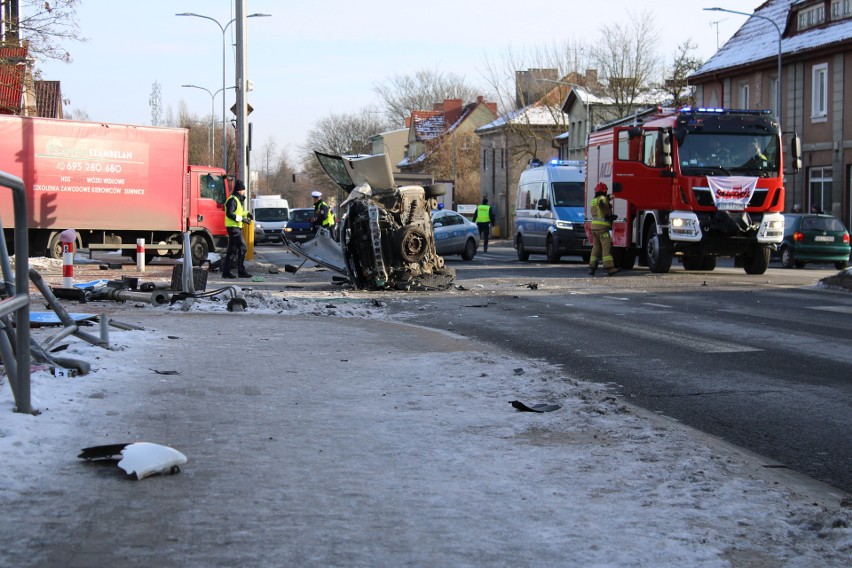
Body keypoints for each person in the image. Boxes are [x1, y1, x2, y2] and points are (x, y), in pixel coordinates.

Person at [221, 179, 252, 279]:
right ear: (239, 190)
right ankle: (241, 271)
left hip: (235, 227)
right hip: (233, 228)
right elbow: (229, 214)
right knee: (243, 247)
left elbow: (238, 212)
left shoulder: (236, 200)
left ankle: (226, 272)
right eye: (243, 190)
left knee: (232, 250)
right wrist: (243, 219)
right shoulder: (233, 200)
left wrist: (247, 214)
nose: (244, 192)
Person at [588, 182, 619, 276]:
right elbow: (602, 202)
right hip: (602, 229)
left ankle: (592, 267)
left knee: (596, 248)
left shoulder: (593, 200)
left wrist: (610, 217)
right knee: (607, 247)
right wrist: (609, 197)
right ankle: (609, 268)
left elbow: (600, 212)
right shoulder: (601, 198)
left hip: (594, 228)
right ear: (604, 191)